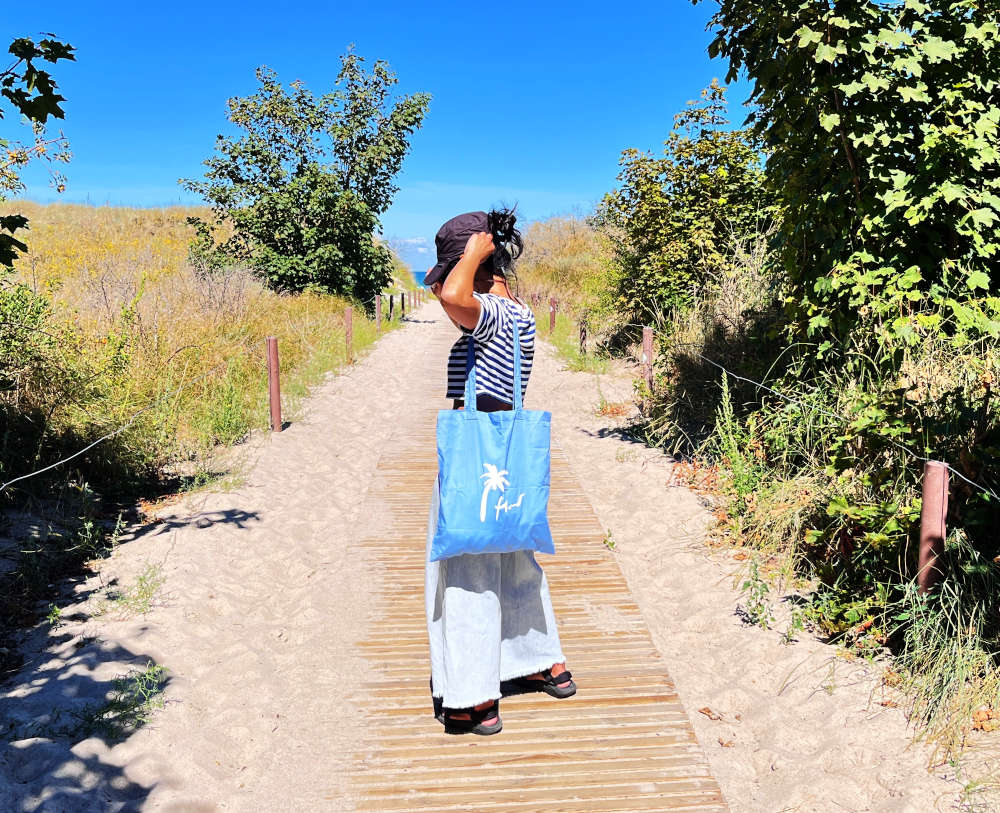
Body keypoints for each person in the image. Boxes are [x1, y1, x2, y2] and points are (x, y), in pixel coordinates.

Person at [424, 209, 576, 735]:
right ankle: (542, 662)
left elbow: (453, 297)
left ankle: (475, 698)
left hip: (476, 461)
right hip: (506, 460)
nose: (443, 288)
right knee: (514, 562)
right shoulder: (515, 313)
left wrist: (468, 259)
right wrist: (467, 269)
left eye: (449, 271)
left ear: (474, 265)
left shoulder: (489, 312)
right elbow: (454, 300)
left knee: (465, 572)